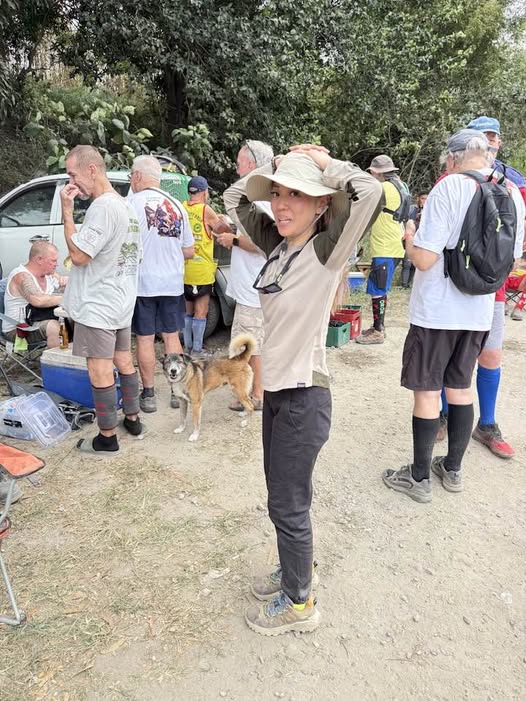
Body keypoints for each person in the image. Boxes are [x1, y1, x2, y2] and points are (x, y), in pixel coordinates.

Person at [224, 144, 382, 635]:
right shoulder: (279, 244)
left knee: (288, 504)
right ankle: (296, 569)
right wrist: (272, 168)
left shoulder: (324, 249)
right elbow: (233, 198)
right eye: (277, 194)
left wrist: (324, 165)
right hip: (278, 394)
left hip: (304, 397)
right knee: (282, 496)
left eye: (297, 195)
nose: (282, 204)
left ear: (321, 204)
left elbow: (370, 191)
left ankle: (299, 603)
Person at [382, 129, 525, 503]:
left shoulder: (448, 187)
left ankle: (418, 477)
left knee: (428, 391)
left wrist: (409, 237)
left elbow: (424, 259)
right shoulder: (512, 192)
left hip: (437, 312)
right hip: (478, 312)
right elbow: (512, 260)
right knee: (460, 389)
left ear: (452, 157)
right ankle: (453, 468)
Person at [438, 116, 526, 457]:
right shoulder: (452, 176)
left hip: (493, 287)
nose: (490, 141)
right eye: (483, 136)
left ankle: (486, 423)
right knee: (448, 354)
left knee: (490, 354)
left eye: (495, 136)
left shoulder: (514, 181)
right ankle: (443, 414)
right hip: (452, 282)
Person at [60, 145, 144, 455]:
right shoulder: (126, 207)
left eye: (73, 174)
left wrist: (67, 212)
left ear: (92, 170)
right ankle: (133, 419)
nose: (71, 182)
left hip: (98, 304)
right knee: (123, 360)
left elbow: (79, 255)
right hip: (121, 300)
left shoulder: (103, 207)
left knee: (99, 368)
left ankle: (107, 437)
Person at [128, 155, 194, 413]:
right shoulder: (177, 205)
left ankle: (149, 394)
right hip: (172, 282)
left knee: (145, 339)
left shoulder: (130, 204)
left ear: (137, 176)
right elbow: (189, 250)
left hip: (142, 283)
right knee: (171, 336)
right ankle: (176, 391)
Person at [215, 139, 274, 412]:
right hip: (254, 287)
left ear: (251, 164)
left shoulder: (260, 200)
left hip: (254, 288)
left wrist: (234, 240)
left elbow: (264, 243)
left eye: (240, 163)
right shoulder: (260, 198)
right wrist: (229, 229)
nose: (237, 168)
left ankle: (257, 395)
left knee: (252, 345)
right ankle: (256, 391)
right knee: (254, 342)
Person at [355, 154, 408, 344]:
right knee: (381, 288)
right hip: (394, 245)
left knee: (377, 289)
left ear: (377, 172)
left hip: (386, 247)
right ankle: (379, 326)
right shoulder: (400, 185)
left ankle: (378, 331)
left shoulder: (383, 188)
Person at [182, 176, 222, 357]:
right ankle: (197, 350)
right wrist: (221, 220)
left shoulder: (182, 207)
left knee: (187, 311)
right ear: (205, 192)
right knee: (201, 312)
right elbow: (222, 230)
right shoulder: (206, 210)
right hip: (201, 271)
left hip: (184, 269)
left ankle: (187, 348)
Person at [3, 241, 66, 348]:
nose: (57, 264)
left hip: (41, 319)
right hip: (19, 329)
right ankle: (54, 358)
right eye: (53, 260)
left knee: (78, 321)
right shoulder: (21, 276)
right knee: (55, 327)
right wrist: (67, 298)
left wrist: (66, 283)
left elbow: (66, 287)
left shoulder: (48, 275)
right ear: (39, 259)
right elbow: (38, 300)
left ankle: (79, 357)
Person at [401, 192, 428, 289]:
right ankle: (404, 284)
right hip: (410, 237)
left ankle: (410, 284)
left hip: (422, 239)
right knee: (407, 263)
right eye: (423, 198)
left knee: (415, 263)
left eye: (426, 199)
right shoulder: (412, 209)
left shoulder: (429, 211)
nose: (424, 201)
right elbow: (407, 221)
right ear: (418, 199)